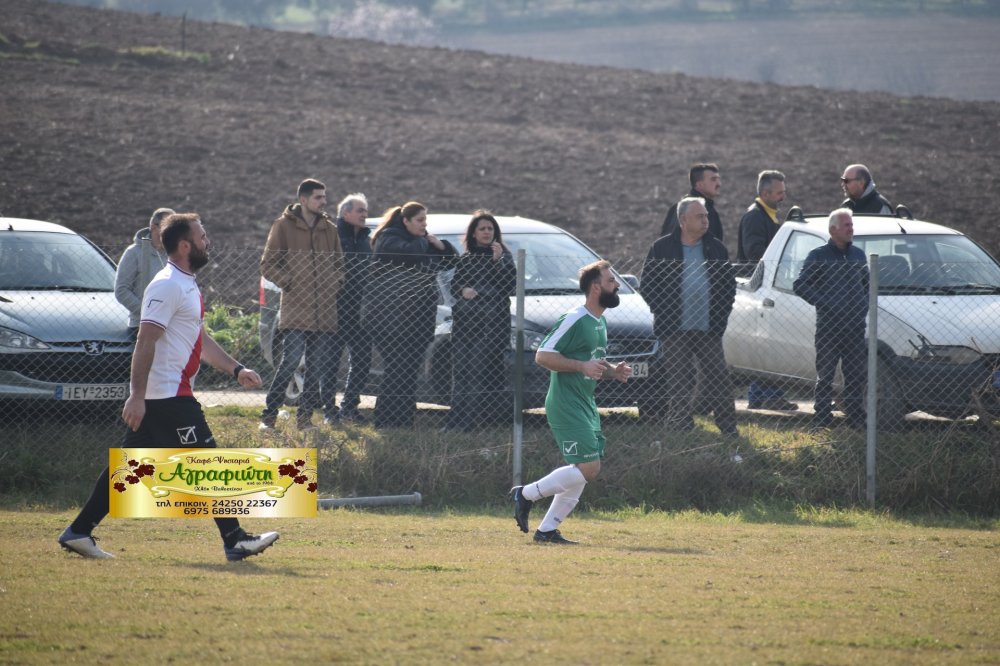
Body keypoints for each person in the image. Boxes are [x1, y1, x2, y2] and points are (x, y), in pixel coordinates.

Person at [57, 213, 279, 561]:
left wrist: (236, 369)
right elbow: (145, 341)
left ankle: (78, 531)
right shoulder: (166, 285)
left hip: (165, 396)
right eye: (203, 236)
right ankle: (234, 539)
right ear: (185, 245)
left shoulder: (186, 283)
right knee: (209, 464)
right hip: (166, 397)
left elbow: (199, 339)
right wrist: (136, 395)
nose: (209, 242)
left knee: (128, 469)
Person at [509, 260, 632, 544]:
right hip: (566, 403)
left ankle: (547, 530)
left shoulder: (598, 320)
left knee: (582, 470)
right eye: (611, 280)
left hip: (585, 403)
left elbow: (592, 363)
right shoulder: (575, 318)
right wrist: (580, 367)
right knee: (589, 468)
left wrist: (613, 371)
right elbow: (542, 355)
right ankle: (525, 493)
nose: (616, 285)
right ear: (595, 287)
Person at [640, 197, 738, 435]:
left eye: (706, 216)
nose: (706, 220)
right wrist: (663, 312)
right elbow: (648, 286)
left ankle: (728, 428)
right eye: (700, 216)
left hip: (709, 329)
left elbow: (728, 289)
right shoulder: (662, 248)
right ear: (683, 220)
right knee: (679, 382)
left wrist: (720, 318)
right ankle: (681, 427)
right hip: (674, 330)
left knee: (719, 379)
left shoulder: (716, 248)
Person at [259, 179, 345, 431]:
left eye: (324, 196)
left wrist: (334, 282)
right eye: (318, 197)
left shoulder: (329, 229)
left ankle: (305, 421)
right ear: (304, 200)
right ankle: (268, 417)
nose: (324, 201)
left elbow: (340, 266)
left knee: (316, 368)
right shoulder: (283, 226)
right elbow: (267, 264)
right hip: (296, 309)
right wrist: (289, 282)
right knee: (291, 360)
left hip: (324, 312)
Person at [365, 202, 457, 428]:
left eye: (426, 220)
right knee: (396, 370)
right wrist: (427, 243)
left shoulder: (422, 240)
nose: (424, 225)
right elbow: (411, 254)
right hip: (390, 321)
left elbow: (451, 261)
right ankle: (385, 421)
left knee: (408, 372)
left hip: (417, 320)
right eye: (419, 220)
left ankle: (404, 420)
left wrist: (441, 245)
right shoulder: (389, 238)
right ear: (405, 221)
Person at [793, 208, 869, 430]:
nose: (851, 229)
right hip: (829, 328)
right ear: (833, 229)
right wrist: (825, 302)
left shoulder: (858, 255)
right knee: (825, 375)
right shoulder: (818, 256)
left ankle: (856, 419)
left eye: (852, 225)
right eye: (847, 226)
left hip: (855, 327)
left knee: (856, 376)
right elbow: (800, 285)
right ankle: (822, 419)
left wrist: (862, 305)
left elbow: (867, 284)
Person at [445, 210, 517, 432]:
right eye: (482, 229)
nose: (487, 232)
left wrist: (497, 263)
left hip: (490, 327)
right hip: (465, 325)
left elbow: (509, 287)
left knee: (476, 373)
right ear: (474, 234)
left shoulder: (504, 257)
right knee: (460, 374)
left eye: (490, 229)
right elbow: (455, 285)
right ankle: (453, 423)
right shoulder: (467, 258)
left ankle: (468, 424)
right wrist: (462, 289)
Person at [736, 170, 798, 411]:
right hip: (762, 290)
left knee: (764, 344)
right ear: (765, 193)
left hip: (765, 288)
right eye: (780, 192)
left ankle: (759, 396)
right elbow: (754, 253)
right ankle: (769, 395)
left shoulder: (767, 216)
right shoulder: (755, 218)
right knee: (769, 344)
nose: (784, 197)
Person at [320, 193, 372, 425]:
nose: (364, 214)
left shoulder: (365, 239)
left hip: (359, 311)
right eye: (360, 210)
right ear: (346, 213)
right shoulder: (332, 236)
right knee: (330, 363)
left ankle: (349, 408)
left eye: (365, 210)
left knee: (362, 360)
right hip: (335, 309)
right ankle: (329, 412)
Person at [115, 207, 174, 336]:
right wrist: (147, 312)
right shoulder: (134, 253)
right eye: (168, 228)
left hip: (171, 326)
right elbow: (121, 290)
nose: (172, 233)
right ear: (154, 227)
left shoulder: (174, 255)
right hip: (141, 327)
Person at [660, 163, 725, 241]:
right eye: (713, 179)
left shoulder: (676, 207)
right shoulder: (704, 210)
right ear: (699, 184)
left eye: (718, 179)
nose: (719, 184)